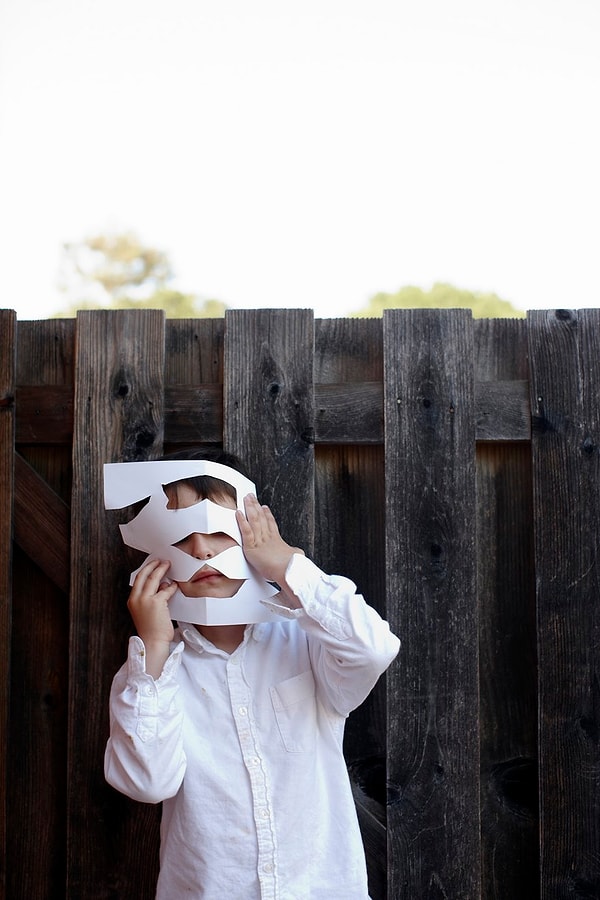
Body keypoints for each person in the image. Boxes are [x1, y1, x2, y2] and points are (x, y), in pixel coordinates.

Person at [104, 448, 400, 900]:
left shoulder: (308, 642)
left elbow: (375, 648)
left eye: (218, 531)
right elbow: (148, 782)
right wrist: (157, 649)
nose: (200, 548)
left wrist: (287, 567)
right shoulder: (151, 675)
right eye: (181, 536)